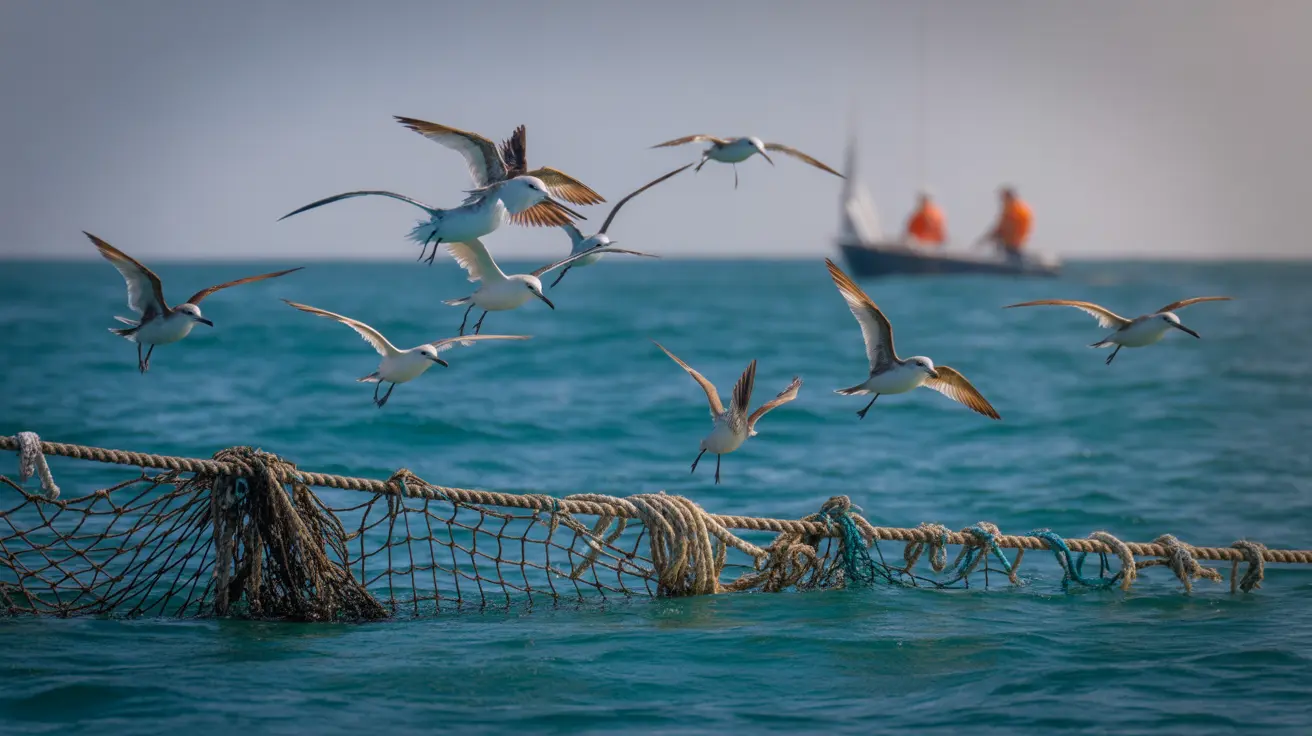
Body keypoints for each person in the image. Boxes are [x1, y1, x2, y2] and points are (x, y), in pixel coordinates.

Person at [979, 186, 1033, 257]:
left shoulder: (1013, 210)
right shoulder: (1023, 209)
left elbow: (1002, 229)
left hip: (1011, 246)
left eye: (1003, 198)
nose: (1002, 201)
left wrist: (984, 240)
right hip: (1016, 245)